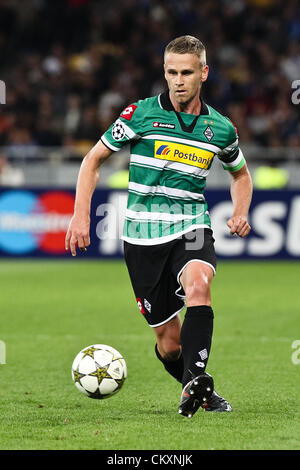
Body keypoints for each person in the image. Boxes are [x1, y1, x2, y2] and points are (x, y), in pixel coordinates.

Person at [65, 36, 252, 418]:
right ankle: (195, 386)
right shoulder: (141, 114)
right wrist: (80, 214)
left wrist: (241, 210)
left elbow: (241, 175)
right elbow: (92, 161)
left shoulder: (221, 128)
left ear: (203, 73)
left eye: (186, 72)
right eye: (171, 72)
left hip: (191, 225)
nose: (178, 80)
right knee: (169, 344)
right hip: (141, 237)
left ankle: (196, 380)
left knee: (200, 284)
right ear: (164, 72)